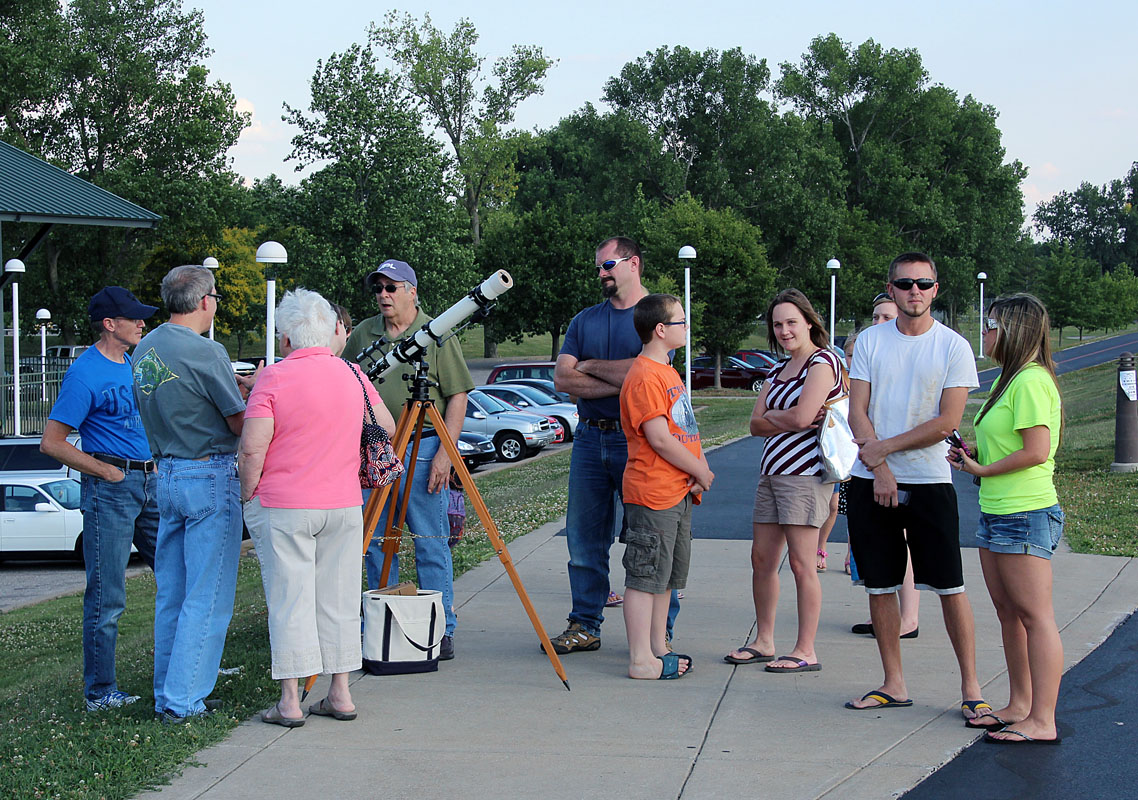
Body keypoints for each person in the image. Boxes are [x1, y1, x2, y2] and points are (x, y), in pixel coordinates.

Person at [240, 288, 395, 726]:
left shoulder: (271, 378)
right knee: (339, 597)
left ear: (286, 338)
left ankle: (290, 701)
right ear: (329, 331)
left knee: (290, 598)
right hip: (343, 502)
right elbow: (384, 425)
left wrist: (247, 493)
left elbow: (253, 450)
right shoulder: (351, 373)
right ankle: (340, 692)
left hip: (284, 504)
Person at [844, 252, 987, 715]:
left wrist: (885, 450)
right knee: (881, 586)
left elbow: (947, 422)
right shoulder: (871, 340)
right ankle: (894, 683)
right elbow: (856, 412)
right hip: (872, 481)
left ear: (935, 289)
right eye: (905, 284)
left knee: (949, 586)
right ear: (891, 288)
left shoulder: (953, 347)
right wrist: (879, 466)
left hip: (929, 480)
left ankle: (972, 690)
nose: (914, 292)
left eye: (923, 284)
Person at [545, 236, 680, 655]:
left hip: (638, 441)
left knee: (650, 536)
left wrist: (590, 366)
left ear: (633, 263)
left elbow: (650, 377)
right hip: (589, 438)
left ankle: (661, 630)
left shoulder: (657, 316)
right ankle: (584, 624)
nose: (601, 273)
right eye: (598, 267)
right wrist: (622, 374)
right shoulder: (584, 320)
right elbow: (563, 380)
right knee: (584, 540)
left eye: (608, 265)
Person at [132, 265, 252, 724]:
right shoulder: (208, 351)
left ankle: (169, 692)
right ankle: (185, 703)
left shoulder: (145, 347)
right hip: (209, 472)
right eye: (216, 296)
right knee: (209, 593)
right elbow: (237, 422)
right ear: (205, 301)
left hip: (166, 474)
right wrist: (256, 391)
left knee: (174, 594)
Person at [948, 294, 1065, 745]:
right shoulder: (1009, 380)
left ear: (1014, 330)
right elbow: (1012, 443)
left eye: (992, 325)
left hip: (1025, 511)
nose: (986, 333)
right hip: (996, 509)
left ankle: (1043, 718)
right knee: (1008, 613)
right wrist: (977, 453)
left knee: (1035, 616)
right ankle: (1020, 704)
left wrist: (982, 470)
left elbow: (1037, 450)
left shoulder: (1032, 380)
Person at [343, 259, 473, 661]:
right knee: (378, 541)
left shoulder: (437, 332)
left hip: (424, 446)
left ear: (412, 291)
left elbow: (457, 396)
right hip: (377, 449)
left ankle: (442, 628)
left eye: (392, 287)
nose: (383, 294)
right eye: (378, 288)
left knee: (430, 540)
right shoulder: (365, 333)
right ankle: (382, 624)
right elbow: (345, 379)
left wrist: (445, 455)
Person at [40, 287, 159, 711]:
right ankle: (100, 692)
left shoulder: (133, 363)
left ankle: (184, 667)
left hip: (150, 482)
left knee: (177, 577)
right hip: (109, 489)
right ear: (110, 324)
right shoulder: (85, 373)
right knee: (108, 595)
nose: (143, 323)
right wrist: (107, 470)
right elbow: (52, 442)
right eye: (134, 317)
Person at [724, 289, 841, 673]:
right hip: (772, 473)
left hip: (805, 476)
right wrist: (784, 416)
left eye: (792, 322)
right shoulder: (777, 370)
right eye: (778, 324)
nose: (785, 330)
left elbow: (800, 417)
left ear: (809, 321)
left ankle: (806, 649)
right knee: (762, 559)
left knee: (802, 564)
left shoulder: (823, 362)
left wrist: (778, 416)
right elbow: (754, 425)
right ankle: (764, 640)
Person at [620, 294, 711, 680]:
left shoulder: (668, 371)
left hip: (677, 491)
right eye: (681, 321)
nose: (687, 328)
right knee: (644, 576)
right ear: (661, 329)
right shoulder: (644, 376)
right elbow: (659, 439)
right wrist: (702, 471)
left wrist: (695, 469)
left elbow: (682, 430)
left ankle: (659, 645)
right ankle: (641, 658)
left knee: (665, 578)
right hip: (653, 492)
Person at [849, 292, 921, 639]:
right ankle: (885, 615)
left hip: (907, 464)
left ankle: (908, 619)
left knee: (903, 545)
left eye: (885, 316)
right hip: (870, 463)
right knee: (878, 548)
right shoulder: (870, 351)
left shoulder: (910, 355)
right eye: (874, 316)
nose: (878, 323)